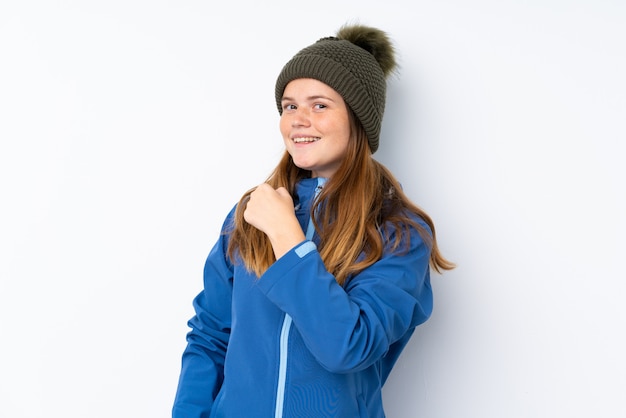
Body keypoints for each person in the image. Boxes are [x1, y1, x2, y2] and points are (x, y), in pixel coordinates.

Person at [172, 23, 455, 417]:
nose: (298, 120)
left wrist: (288, 238)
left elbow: (347, 347)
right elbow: (209, 337)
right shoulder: (251, 214)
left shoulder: (398, 233)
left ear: (358, 118)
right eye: (290, 106)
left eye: (319, 105)